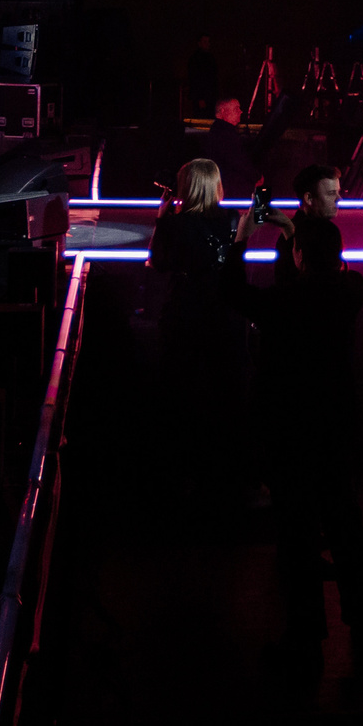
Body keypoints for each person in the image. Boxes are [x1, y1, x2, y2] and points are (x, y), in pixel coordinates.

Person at [228, 163, 363, 683]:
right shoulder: (352, 290)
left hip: (290, 428)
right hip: (336, 425)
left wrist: (242, 237)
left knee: (297, 535)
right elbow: (328, 280)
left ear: (295, 255)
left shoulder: (282, 305)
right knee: (347, 529)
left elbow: (237, 292)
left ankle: (306, 640)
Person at [148, 158, 249, 506]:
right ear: (216, 185)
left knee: (183, 395)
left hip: (186, 313)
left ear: (185, 186)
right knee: (226, 395)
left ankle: (183, 478)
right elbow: (257, 224)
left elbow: (158, 263)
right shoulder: (233, 219)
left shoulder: (177, 224)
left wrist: (162, 219)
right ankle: (226, 476)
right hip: (225, 313)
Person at [203, 98, 260, 199]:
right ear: (223, 111)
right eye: (236, 109)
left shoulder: (220, 131)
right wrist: (256, 176)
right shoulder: (225, 134)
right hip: (232, 192)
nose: (240, 112)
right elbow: (238, 161)